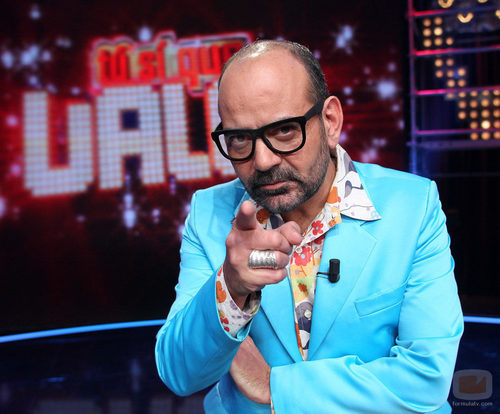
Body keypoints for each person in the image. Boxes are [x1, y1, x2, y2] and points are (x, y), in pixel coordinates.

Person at [155, 39, 463, 413]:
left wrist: (275, 387)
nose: (263, 161)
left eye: (285, 130)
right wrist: (230, 288)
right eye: (239, 139)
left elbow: (426, 379)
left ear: (330, 121)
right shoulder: (208, 213)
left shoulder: (412, 206)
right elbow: (180, 374)